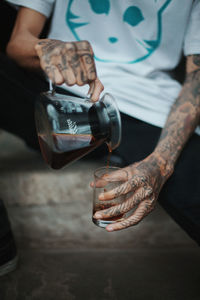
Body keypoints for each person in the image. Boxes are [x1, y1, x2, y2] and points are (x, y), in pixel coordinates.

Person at [0, 0, 200, 275]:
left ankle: (121, 150)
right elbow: (17, 43)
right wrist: (43, 48)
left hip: (147, 112)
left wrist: (162, 163)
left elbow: (197, 80)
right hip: (60, 97)